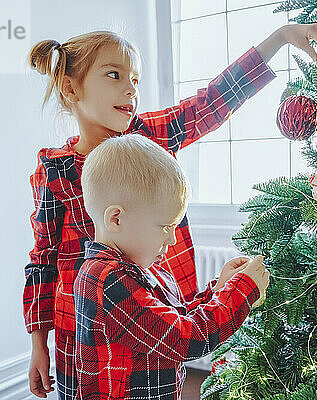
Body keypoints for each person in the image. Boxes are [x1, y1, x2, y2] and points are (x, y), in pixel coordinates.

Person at [24, 25, 317, 400]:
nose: (131, 88)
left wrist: (279, 39)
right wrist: (38, 343)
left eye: (135, 79)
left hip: (158, 315)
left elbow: (212, 101)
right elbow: (43, 260)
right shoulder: (53, 172)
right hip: (81, 340)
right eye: (114, 74)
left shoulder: (149, 138)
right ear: (71, 88)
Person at [76, 133, 269, 399]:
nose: (172, 238)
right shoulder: (108, 281)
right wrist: (243, 290)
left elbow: (173, 318)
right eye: (165, 227)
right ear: (117, 219)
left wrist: (220, 289)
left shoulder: (137, 268)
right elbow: (187, 338)